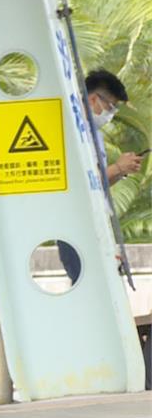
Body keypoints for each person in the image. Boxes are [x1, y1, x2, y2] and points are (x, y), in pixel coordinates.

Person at [57, 69, 145, 285]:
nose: (112, 113)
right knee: (87, 283)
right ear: (94, 98)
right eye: (111, 106)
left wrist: (120, 170)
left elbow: (98, 183)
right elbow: (80, 182)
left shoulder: (93, 134)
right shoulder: (72, 131)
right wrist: (116, 167)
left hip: (96, 221)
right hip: (77, 223)